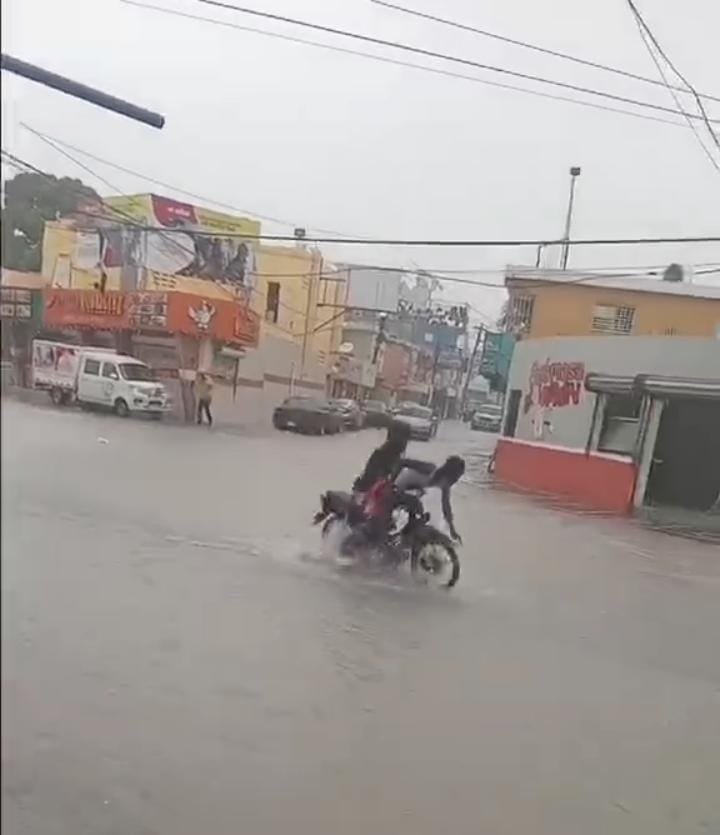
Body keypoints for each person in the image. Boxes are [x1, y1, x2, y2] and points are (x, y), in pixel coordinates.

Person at [393, 455, 465, 543]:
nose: (454, 482)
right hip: (397, 488)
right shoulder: (429, 469)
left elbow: (446, 508)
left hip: (408, 493)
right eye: (454, 479)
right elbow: (403, 462)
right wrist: (390, 481)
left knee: (422, 513)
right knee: (418, 507)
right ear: (446, 473)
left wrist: (452, 530)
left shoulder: (445, 485)